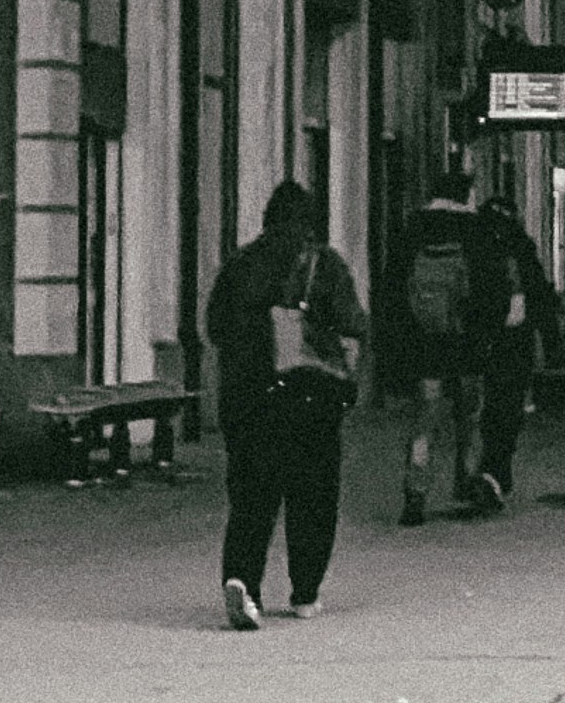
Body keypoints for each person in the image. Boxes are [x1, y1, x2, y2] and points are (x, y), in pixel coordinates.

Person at [206, 177, 364, 627]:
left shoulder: (240, 265)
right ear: (310, 223)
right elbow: (353, 322)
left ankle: (242, 581)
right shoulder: (325, 266)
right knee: (313, 496)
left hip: (248, 400)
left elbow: (214, 327)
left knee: (251, 497)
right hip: (309, 399)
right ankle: (305, 592)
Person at [385, 161, 527, 519]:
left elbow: (392, 290)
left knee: (426, 418)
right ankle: (467, 481)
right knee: (470, 415)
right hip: (468, 342)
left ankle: (415, 494)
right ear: (464, 195)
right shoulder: (476, 230)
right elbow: (493, 290)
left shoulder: (411, 230)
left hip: (424, 341)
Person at [478, 187, 563, 503]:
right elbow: (540, 297)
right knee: (507, 407)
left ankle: (484, 472)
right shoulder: (523, 248)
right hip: (516, 344)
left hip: (482, 341)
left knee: (484, 408)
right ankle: (496, 469)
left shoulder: (478, 247)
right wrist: (553, 344)